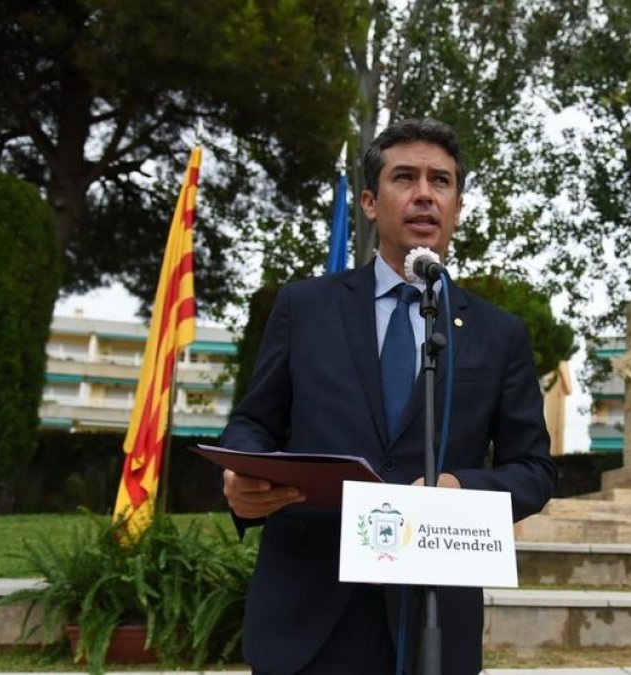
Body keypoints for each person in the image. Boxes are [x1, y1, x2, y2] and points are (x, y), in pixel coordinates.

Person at [219, 117, 557, 675]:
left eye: (440, 181)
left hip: (431, 618)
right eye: (406, 178)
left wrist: (460, 485)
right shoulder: (304, 308)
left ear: (457, 208)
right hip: (308, 608)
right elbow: (254, 422)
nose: (425, 194)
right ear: (372, 203)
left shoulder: (500, 334)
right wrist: (240, 477)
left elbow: (534, 470)